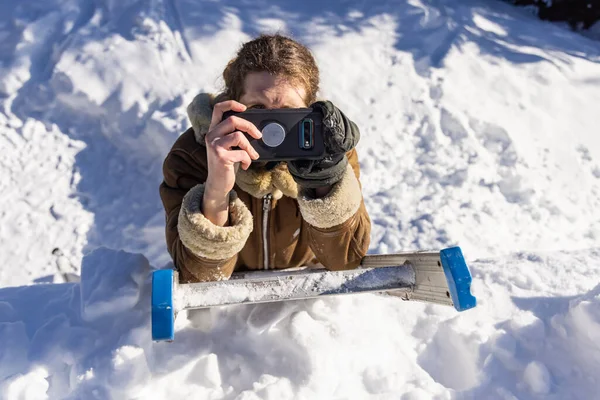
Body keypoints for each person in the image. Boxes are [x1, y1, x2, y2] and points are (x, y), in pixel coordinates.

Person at [159, 34, 371, 283]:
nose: (273, 130)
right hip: (226, 311)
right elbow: (198, 280)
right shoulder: (193, 154)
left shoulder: (331, 150)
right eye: (258, 110)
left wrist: (324, 181)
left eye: (288, 113)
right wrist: (216, 189)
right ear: (232, 104)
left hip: (304, 305)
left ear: (309, 110)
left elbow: (346, 262)